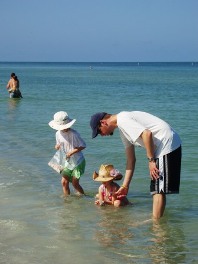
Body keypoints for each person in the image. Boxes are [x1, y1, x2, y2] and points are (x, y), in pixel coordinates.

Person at [90, 111, 182, 219]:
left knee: (158, 189)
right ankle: (158, 223)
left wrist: (151, 160)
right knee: (157, 188)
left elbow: (147, 134)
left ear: (103, 122)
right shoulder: (122, 130)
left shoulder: (123, 119)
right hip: (161, 148)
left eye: (99, 131)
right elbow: (131, 159)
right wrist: (125, 185)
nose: (101, 135)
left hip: (166, 143)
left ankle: (157, 227)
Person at [49, 111, 86, 196]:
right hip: (67, 161)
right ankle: (67, 202)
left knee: (75, 183)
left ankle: (83, 198)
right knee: (64, 182)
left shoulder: (74, 134)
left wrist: (71, 152)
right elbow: (58, 144)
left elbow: (83, 145)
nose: (64, 128)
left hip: (78, 162)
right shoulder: (57, 133)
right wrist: (57, 146)